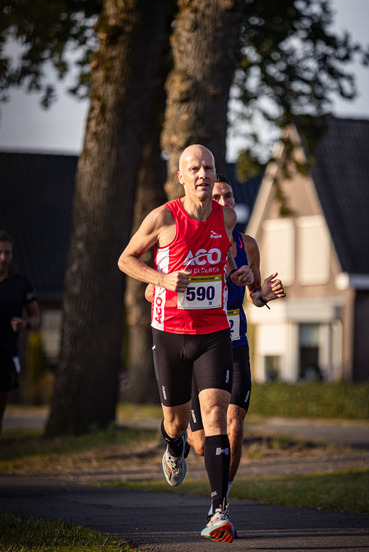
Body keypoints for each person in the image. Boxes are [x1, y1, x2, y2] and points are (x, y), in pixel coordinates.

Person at [118, 144, 253, 543]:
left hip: (213, 334)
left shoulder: (226, 216)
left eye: (208, 167)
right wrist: (161, 279)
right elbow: (126, 259)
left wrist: (239, 273)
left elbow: (226, 260)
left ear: (215, 174)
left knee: (216, 415)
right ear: (181, 177)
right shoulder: (163, 217)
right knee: (176, 421)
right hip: (171, 333)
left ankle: (217, 510)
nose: (202, 174)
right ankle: (173, 444)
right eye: (193, 168)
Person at [187, 174, 286, 530]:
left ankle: (220, 502)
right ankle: (184, 429)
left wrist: (264, 295)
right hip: (202, 341)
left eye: (228, 195)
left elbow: (254, 295)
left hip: (237, 342)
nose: (225, 201)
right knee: (201, 445)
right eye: (217, 196)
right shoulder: (196, 242)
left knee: (235, 425)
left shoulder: (249, 245)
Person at [0, 231, 40, 434]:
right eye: (0, 252)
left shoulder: (21, 284)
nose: (3, 258)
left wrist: (25, 324)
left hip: (7, 354)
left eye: (7, 253)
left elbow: (36, 317)